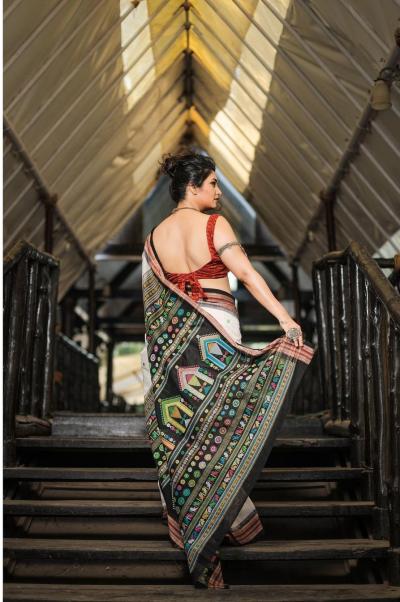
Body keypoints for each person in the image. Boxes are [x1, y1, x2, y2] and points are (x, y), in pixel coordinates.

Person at [140, 150, 315, 589]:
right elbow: (248, 276)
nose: (218, 191)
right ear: (193, 186)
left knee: (185, 435)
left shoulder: (153, 239)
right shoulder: (214, 225)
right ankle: (227, 519)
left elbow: (153, 313)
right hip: (217, 335)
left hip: (172, 352)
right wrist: (285, 320)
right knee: (224, 428)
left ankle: (201, 526)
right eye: (213, 183)